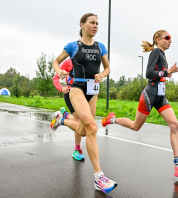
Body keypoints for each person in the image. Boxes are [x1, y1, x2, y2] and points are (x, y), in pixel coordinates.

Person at [102, 30, 178, 177]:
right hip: (150, 94)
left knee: (175, 125)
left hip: (160, 96)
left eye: (170, 38)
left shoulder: (163, 55)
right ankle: (112, 119)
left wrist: (166, 72)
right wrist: (167, 72)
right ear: (158, 40)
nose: (170, 40)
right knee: (136, 126)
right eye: (167, 37)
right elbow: (148, 73)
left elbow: (158, 72)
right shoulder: (155, 52)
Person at [51, 13, 117, 193]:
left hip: (93, 91)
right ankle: (99, 177)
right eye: (92, 23)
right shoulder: (73, 46)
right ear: (82, 25)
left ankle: (62, 120)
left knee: (83, 129)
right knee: (92, 127)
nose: (95, 26)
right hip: (77, 89)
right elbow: (56, 62)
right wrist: (60, 72)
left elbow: (108, 67)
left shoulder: (100, 46)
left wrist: (102, 75)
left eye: (97, 23)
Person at [51, 58, 84, 161]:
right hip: (71, 94)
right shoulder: (69, 62)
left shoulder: (89, 60)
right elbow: (55, 78)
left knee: (83, 123)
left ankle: (64, 116)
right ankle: (77, 150)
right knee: (80, 123)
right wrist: (62, 88)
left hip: (84, 95)